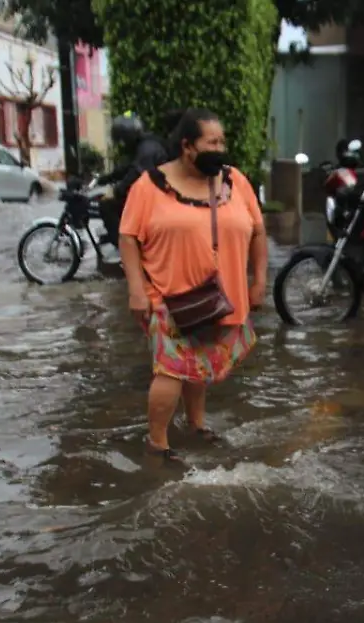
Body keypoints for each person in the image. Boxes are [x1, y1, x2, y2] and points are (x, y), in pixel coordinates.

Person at [119, 107, 267, 455]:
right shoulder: (150, 186)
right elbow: (128, 237)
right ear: (187, 147)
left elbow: (259, 231)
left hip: (218, 295)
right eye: (212, 142)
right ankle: (157, 443)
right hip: (167, 294)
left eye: (222, 141)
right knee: (171, 370)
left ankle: (196, 424)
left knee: (197, 362)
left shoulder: (234, 181)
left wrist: (259, 280)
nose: (220, 148)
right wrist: (136, 291)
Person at [98, 113, 172, 255]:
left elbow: (136, 172)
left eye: (121, 139)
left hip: (158, 199)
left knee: (106, 205)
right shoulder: (146, 144)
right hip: (158, 195)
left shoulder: (147, 149)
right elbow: (128, 167)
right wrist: (106, 178)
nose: (121, 144)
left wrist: (115, 191)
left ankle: (126, 250)